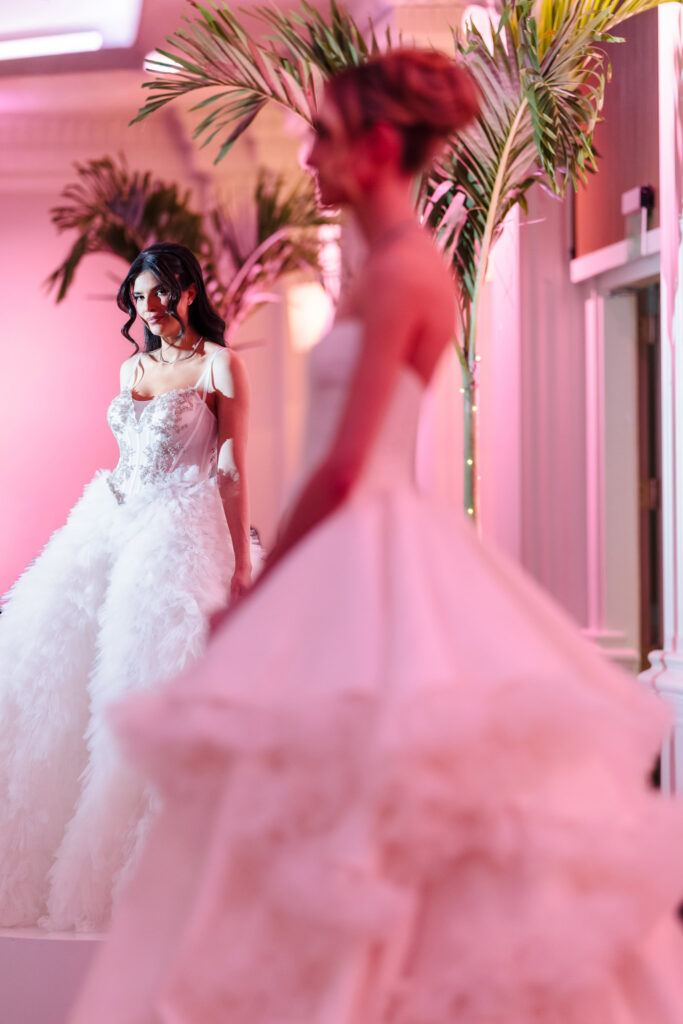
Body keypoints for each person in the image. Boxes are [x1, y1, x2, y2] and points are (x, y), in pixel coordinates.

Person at [72, 51, 683, 1022]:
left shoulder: (405, 271)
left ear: (379, 145)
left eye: (323, 134)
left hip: (368, 551)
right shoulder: (374, 267)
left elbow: (348, 464)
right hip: (356, 552)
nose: (305, 151)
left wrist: (253, 598)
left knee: (379, 818)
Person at [0, 242, 255, 932]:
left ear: (189, 293)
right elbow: (126, 454)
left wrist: (238, 561)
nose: (149, 309)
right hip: (113, 513)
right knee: (46, 661)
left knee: (143, 674)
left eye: (160, 295)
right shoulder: (133, 365)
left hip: (179, 523)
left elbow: (228, 468)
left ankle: (131, 878)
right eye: (139, 299)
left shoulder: (217, 364)